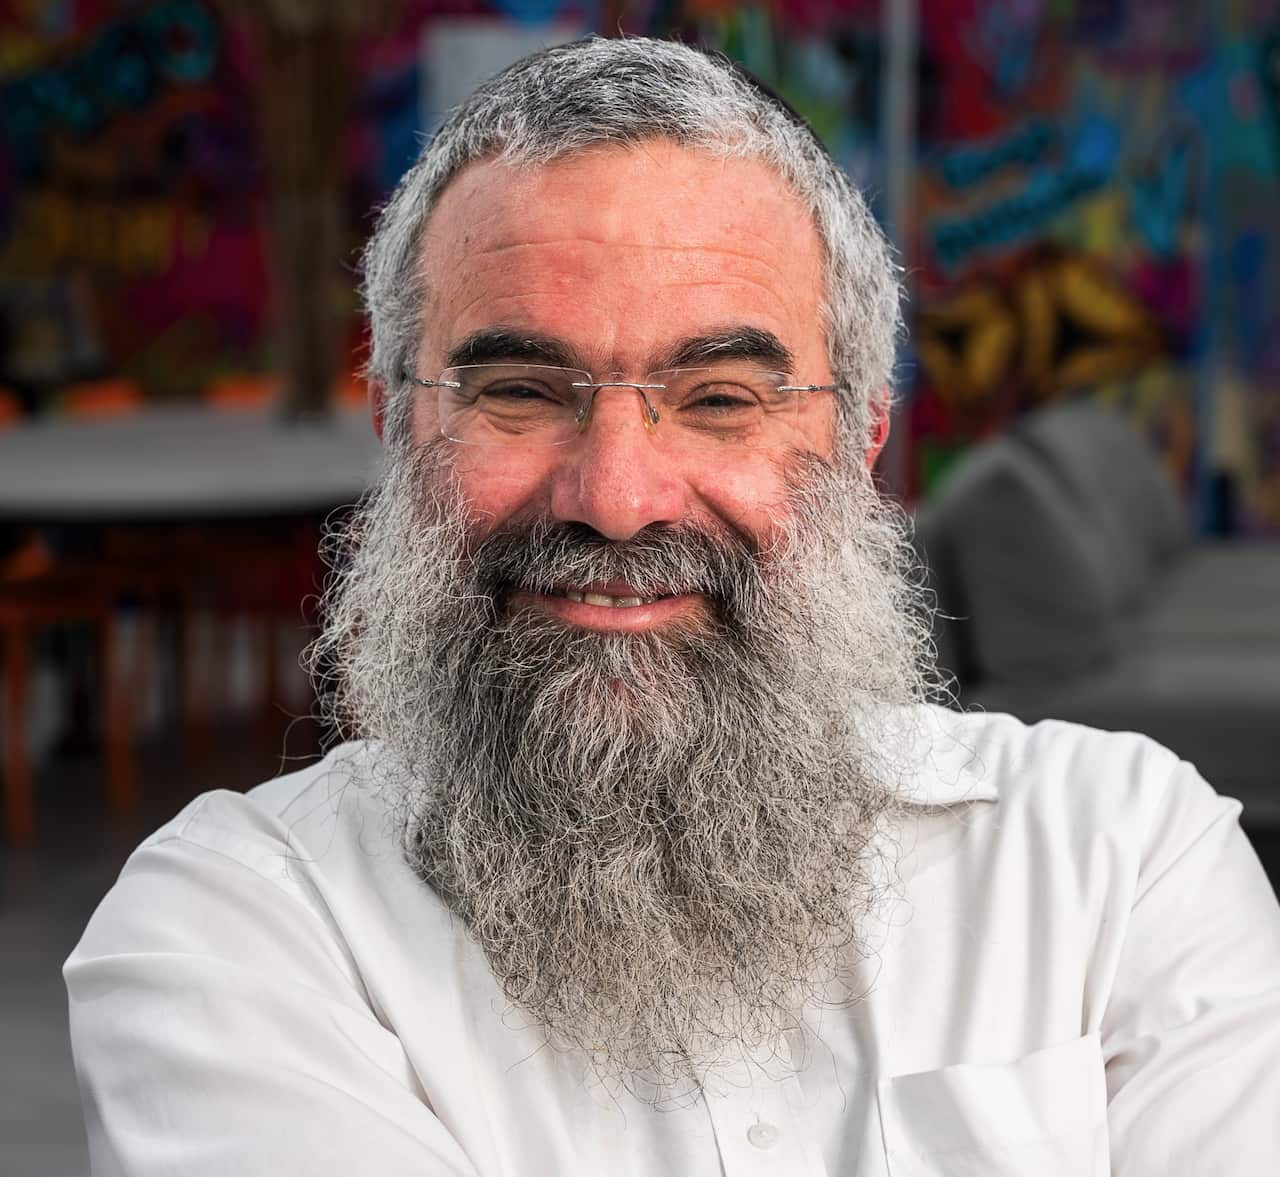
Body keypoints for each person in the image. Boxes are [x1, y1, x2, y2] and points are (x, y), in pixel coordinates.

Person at [65, 37, 1280, 1176]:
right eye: (521, 390)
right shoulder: (236, 927)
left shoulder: (1115, 858)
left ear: (859, 441)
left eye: (718, 399)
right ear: (396, 425)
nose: (618, 498)